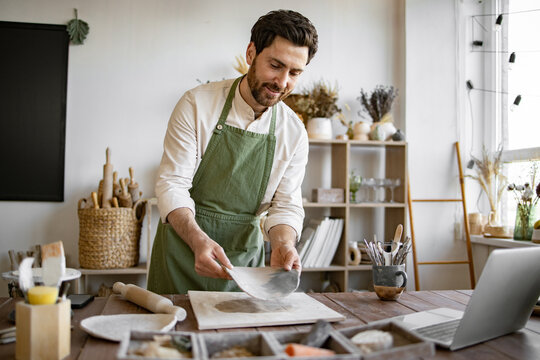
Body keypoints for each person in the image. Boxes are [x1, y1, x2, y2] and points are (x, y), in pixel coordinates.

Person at [147, 9, 318, 294]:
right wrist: (198, 240)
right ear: (251, 53)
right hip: (180, 253)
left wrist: (284, 245)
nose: (282, 82)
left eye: (295, 73)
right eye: (275, 65)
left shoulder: (294, 132)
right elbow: (172, 184)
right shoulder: (196, 104)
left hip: (244, 267)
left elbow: (286, 206)